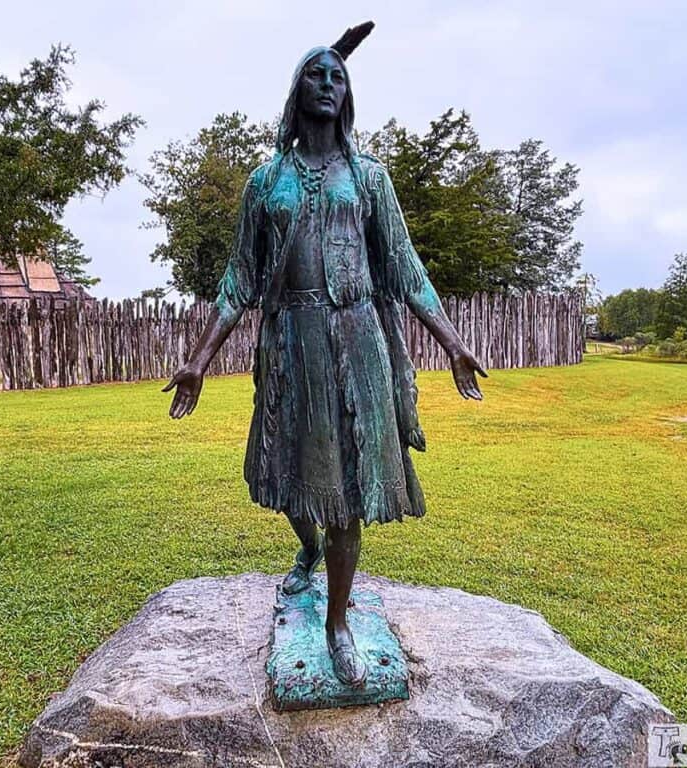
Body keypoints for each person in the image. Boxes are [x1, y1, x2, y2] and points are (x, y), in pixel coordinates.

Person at [164, 23, 485, 687]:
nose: (330, 85)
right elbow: (237, 282)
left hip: (358, 339)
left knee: (346, 495)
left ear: (348, 94)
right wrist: (198, 359)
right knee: (288, 474)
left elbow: (403, 264)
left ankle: (337, 622)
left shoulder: (368, 178)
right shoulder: (266, 180)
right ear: (296, 89)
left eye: (338, 77)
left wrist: (451, 342)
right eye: (318, 74)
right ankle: (306, 548)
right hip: (292, 343)